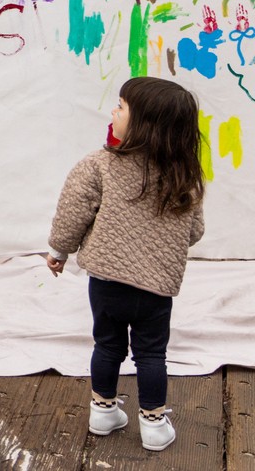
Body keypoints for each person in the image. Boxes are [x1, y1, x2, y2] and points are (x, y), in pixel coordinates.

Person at [46, 76, 206, 453]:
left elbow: (72, 213)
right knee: (151, 354)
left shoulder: (99, 164)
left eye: (120, 107)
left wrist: (59, 251)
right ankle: (153, 424)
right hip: (155, 289)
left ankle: (102, 412)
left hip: (106, 282)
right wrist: (161, 241)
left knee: (107, 345)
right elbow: (195, 231)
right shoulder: (184, 175)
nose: (113, 112)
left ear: (144, 124)